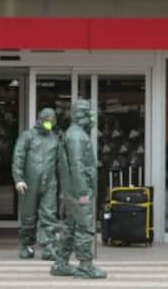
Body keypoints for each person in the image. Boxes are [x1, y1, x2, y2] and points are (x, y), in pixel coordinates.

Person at [51, 100, 107, 279]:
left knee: (71, 225)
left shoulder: (75, 133)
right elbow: (76, 166)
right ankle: (85, 265)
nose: (92, 117)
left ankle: (60, 262)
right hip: (79, 191)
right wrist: (83, 191)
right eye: (89, 113)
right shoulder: (77, 136)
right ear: (80, 115)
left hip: (73, 189)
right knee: (85, 226)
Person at [12, 108, 59, 261]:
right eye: (47, 120)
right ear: (40, 119)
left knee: (49, 215)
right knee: (28, 216)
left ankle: (49, 247)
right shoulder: (28, 136)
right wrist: (18, 178)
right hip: (29, 183)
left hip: (49, 183)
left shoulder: (55, 138)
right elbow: (18, 157)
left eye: (52, 121)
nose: (49, 123)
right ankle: (26, 245)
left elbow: (59, 162)